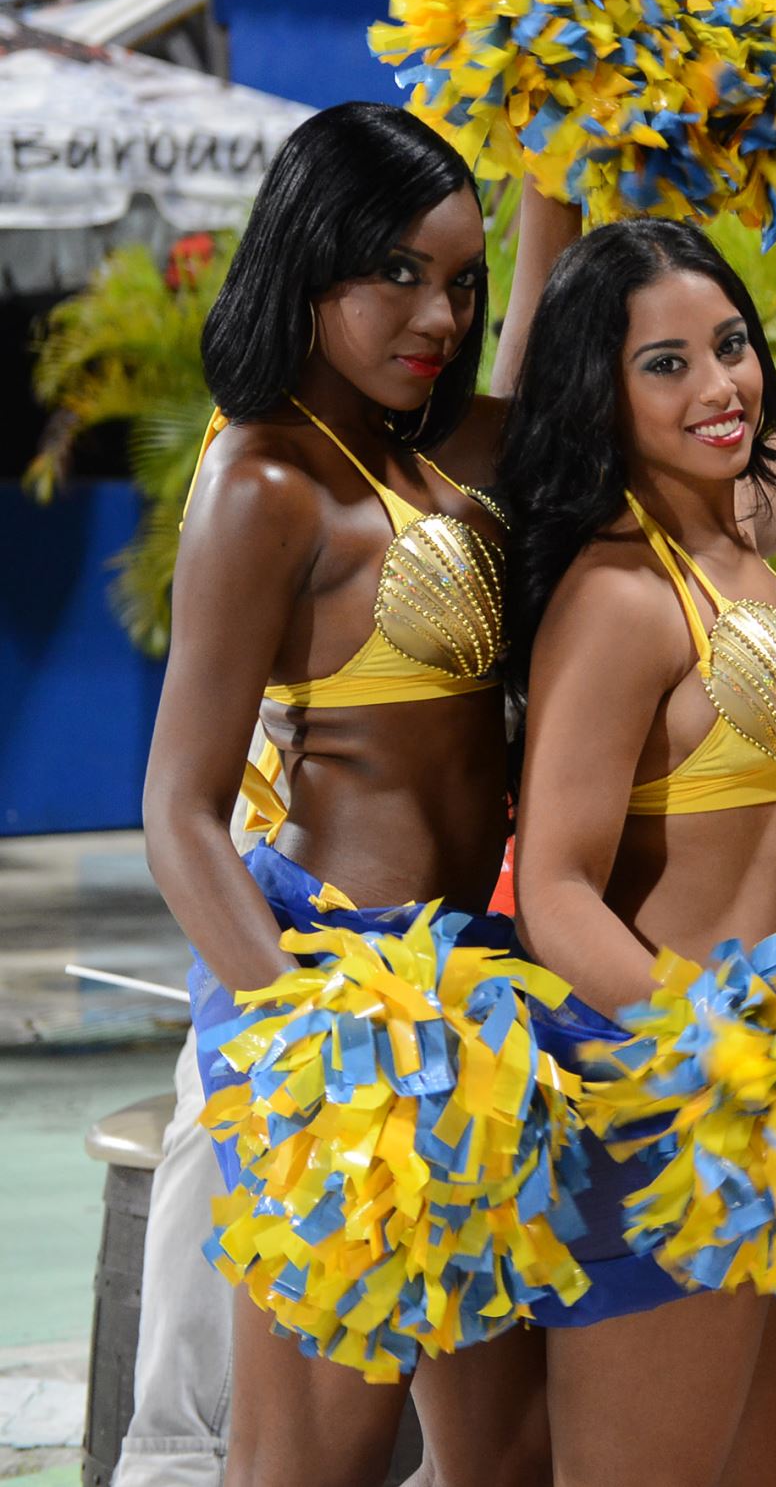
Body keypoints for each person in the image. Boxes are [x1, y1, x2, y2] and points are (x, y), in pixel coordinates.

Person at [137, 102, 548, 1487]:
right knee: (316, 1462)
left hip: (470, 996)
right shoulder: (268, 478)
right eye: (399, 272)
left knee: (508, 1457)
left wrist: (550, 141)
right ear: (309, 260)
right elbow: (178, 811)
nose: (437, 312)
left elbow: (561, 397)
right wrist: (319, 1050)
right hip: (334, 991)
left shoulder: (438, 455)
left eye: (462, 281)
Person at [498, 194, 776, 1485]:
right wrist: (706, 1041)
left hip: (766, 1101)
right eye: (665, 364)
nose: (720, 384)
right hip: (667, 1102)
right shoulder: (618, 595)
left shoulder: (742, 540)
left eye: (730, 342)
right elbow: (553, 891)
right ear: (598, 394)